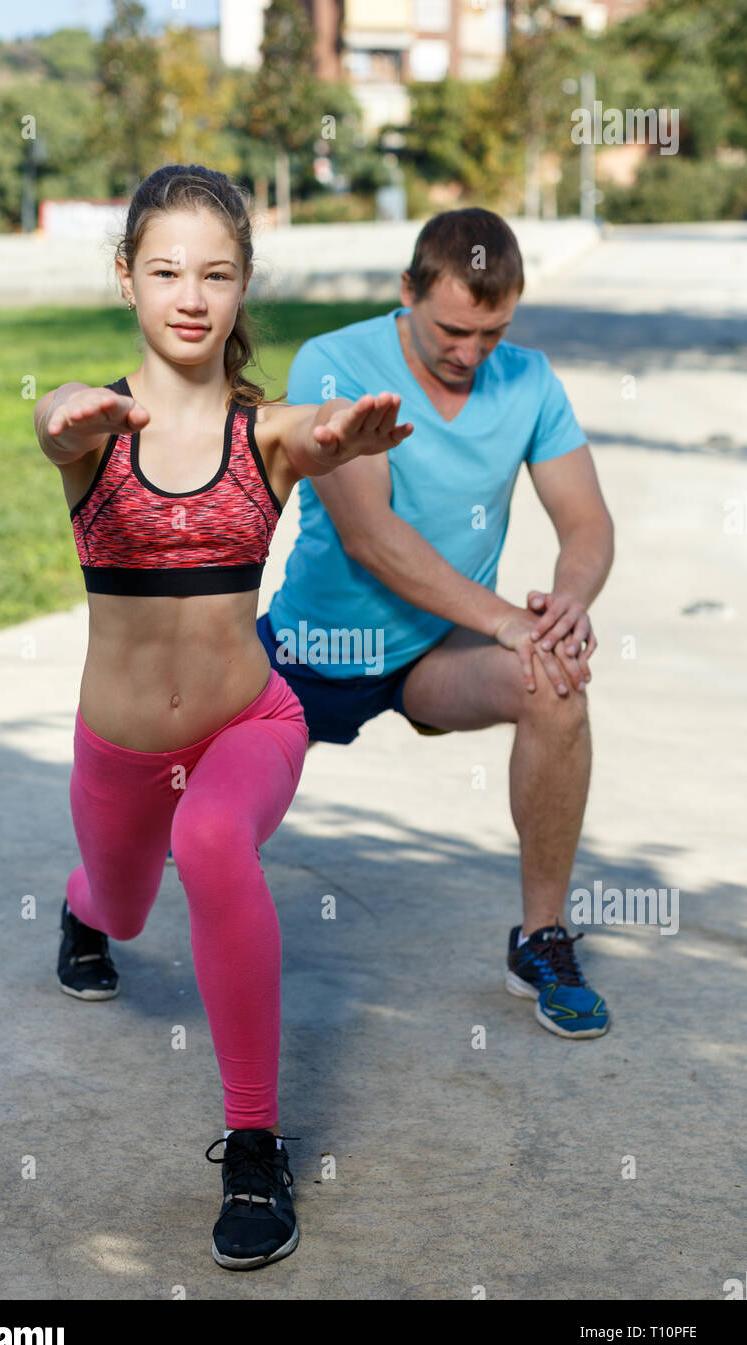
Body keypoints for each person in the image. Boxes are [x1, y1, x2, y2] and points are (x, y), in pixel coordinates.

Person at [32, 164, 413, 1271]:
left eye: (216, 273)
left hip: (249, 721)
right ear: (127, 279)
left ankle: (254, 1145)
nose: (190, 295)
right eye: (165, 271)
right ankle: (82, 907)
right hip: (119, 751)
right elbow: (59, 427)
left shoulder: (266, 435)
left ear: (244, 286)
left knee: (210, 842)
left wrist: (341, 435)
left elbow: (315, 429)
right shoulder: (96, 427)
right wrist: (65, 412)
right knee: (124, 904)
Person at [256, 208, 615, 1040]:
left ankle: (542, 938)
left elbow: (587, 523)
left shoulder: (527, 380)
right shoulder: (336, 363)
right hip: (315, 653)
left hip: (436, 654)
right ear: (407, 291)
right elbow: (373, 539)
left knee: (555, 682)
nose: (470, 352)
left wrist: (567, 602)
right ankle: (93, 910)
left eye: (493, 332)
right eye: (453, 328)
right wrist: (504, 622)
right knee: (183, 814)